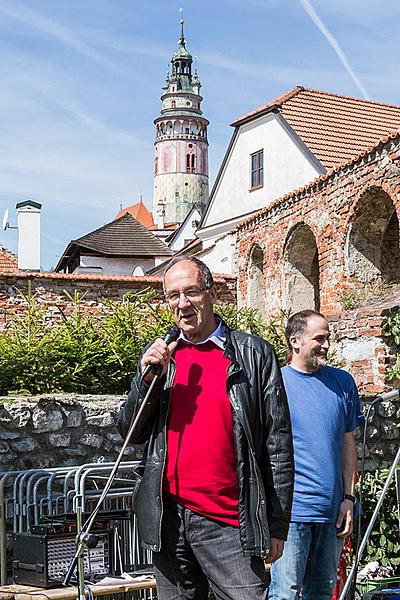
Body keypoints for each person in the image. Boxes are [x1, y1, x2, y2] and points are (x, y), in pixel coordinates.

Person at [118, 256, 294, 600]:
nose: (182, 304)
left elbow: (278, 445)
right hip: (170, 521)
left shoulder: (253, 355)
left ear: (211, 293)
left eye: (192, 292)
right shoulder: (161, 357)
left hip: (230, 522)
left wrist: (276, 525)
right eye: (173, 296)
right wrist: (145, 377)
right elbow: (131, 432)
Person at [269, 309, 365, 600]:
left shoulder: (342, 382)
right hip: (292, 511)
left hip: (333, 510)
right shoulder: (274, 384)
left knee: (322, 593)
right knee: (285, 593)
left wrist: (348, 499)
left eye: (328, 338)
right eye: (319, 338)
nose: (326, 345)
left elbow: (348, 444)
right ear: (295, 341)